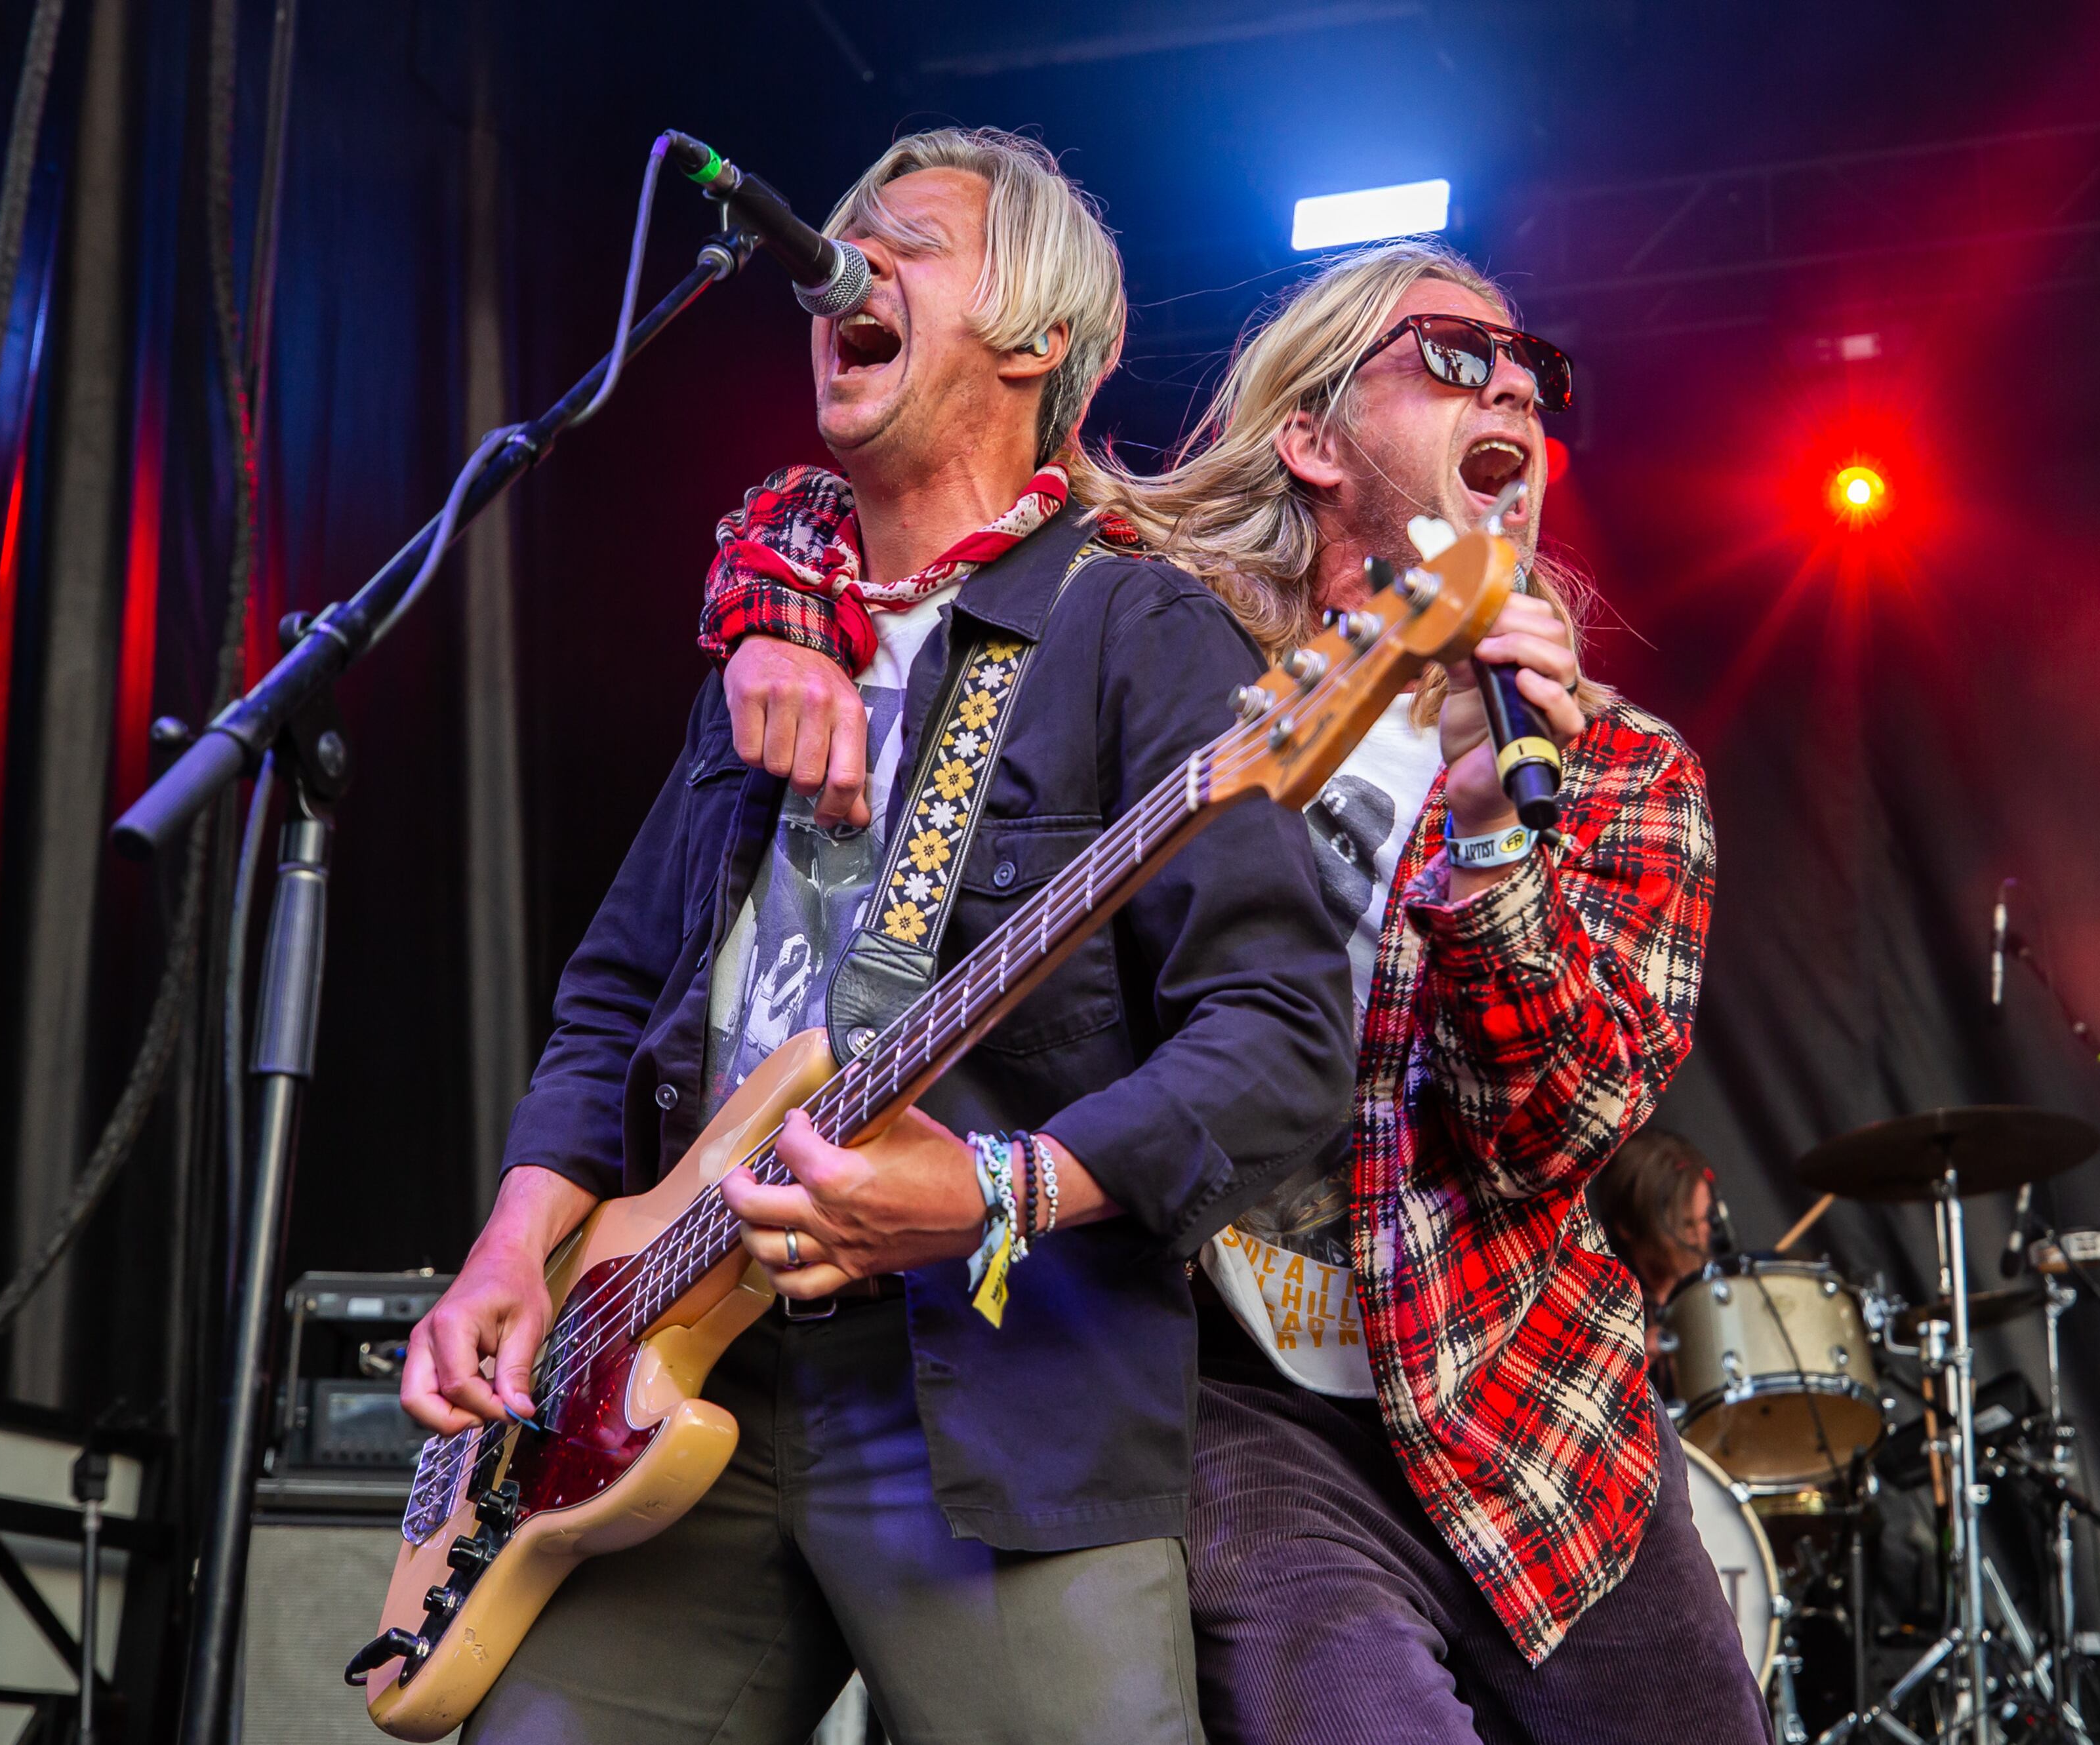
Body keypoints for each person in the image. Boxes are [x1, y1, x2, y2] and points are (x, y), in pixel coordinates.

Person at [707, 240, 1764, 1744]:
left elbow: (1549, 1132)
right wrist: (781, 628)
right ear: (1313, 437)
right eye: (1454, 357)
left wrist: (1488, 823)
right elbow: (860, 501)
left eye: (1536, 373)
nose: (1514, 391)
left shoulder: (1622, 774)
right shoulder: (1156, 630)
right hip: (1226, 1399)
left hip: (1523, 1396)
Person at [401, 129, 1356, 1745]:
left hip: (996, 1391)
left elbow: (1283, 1037)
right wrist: (514, 1245)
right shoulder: (773, 637)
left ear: (1037, 336)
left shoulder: (1139, 631)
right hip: (662, 1376)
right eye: (851, 237)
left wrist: (994, 1187)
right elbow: (618, 991)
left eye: (908, 238)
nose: (846, 260)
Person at [1592, 1128, 1719, 1310]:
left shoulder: (1715, 1289)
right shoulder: (1607, 1305)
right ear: (1628, 1226)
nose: (1700, 1237)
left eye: (1706, 1218)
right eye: (1687, 1224)